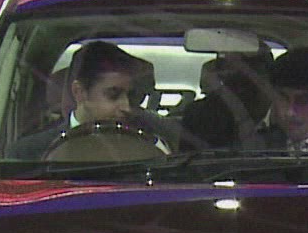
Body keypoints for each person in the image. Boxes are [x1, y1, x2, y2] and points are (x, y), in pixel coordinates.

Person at [11, 42, 187, 161]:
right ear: (79, 92)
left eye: (132, 96)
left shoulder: (158, 141)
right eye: (113, 95)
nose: (126, 107)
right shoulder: (29, 153)